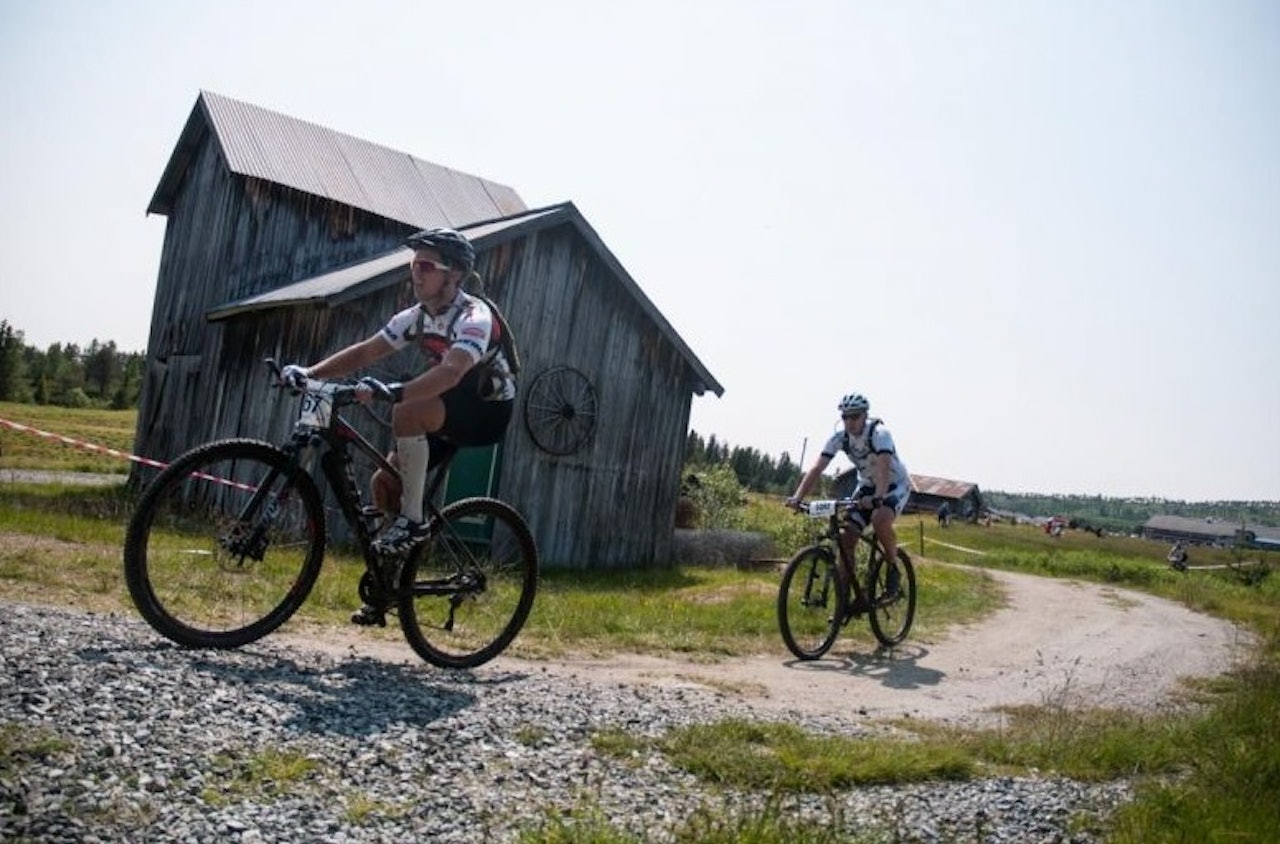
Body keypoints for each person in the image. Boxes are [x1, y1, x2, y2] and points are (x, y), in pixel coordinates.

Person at [280, 227, 517, 624]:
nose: (416, 274)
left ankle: (413, 521)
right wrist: (311, 372)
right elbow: (367, 351)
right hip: (445, 404)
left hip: (485, 408)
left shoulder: (474, 316)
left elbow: (452, 373)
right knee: (383, 485)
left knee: (406, 412)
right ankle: (386, 592)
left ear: (454, 274)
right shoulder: (417, 318)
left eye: (426, 266)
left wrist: (396, 391)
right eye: (413, 265)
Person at [785, 393, 910, 604]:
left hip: (894, 485)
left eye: (855, 417)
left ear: (865, 416)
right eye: (846, 417)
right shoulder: (840, 438)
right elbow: (817, 467)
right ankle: (845, 598)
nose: (850, 422)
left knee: (880, 520)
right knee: (845, 537)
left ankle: (892, 568)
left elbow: (883, 467)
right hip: (866, 487)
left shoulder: (880, 434)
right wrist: (798, 497)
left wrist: (879, 497)